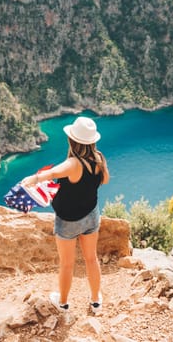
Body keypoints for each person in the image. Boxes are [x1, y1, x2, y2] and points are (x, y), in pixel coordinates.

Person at [21, 116, 110, 314]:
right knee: (91, 259)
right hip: (91, 215)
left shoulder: (73, 163)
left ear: (73, 140)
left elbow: (53, 173)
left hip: (68, 221)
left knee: (67, 264)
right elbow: (104, 179)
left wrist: (34, 179)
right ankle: (96, 301)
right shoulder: (99, 158)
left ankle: (63, 303)